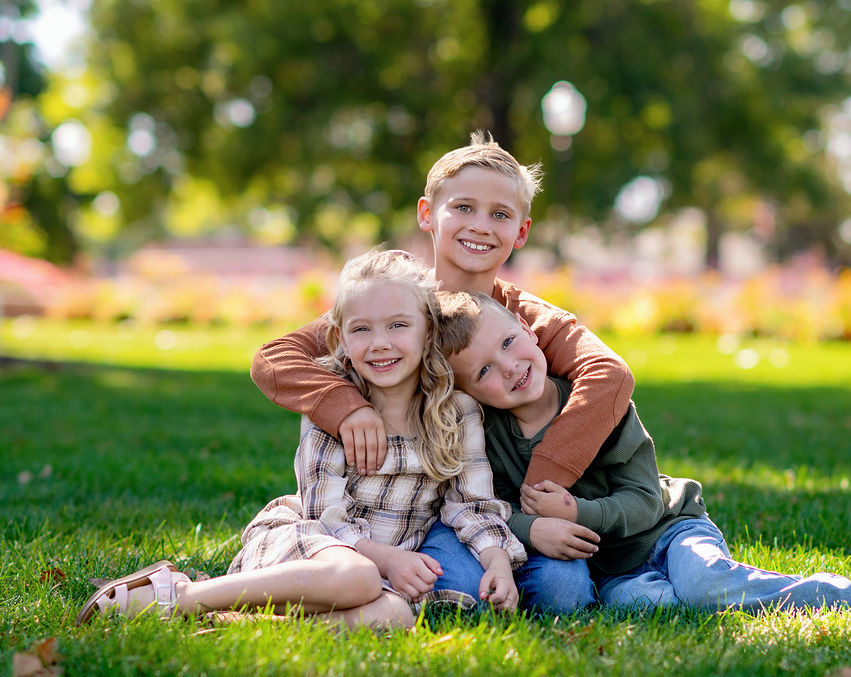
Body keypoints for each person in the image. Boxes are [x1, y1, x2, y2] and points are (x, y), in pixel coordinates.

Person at [249, 132, 627, 612]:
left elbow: (608, 374)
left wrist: (542, 483)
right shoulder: (390, 307)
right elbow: (274, 357)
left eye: (500, 214)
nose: (480, 226)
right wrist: (347, 409)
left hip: (495, 506)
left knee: (561, 595)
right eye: (463, 208)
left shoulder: (525, 318)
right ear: (428, 214)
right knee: (452, 594)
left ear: (522, 232)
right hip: (396, 508)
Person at [76, 250, 526, 630]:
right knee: (360, 580)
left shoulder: (454, 411)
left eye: (398, 326)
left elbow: (472, 506)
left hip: (386, 566)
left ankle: (234, 622)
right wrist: (385, 560)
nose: (380, 344)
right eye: (362, 329)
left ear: (428, 331)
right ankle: (180, 595)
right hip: (315, 543)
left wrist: (498, 561)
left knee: (395, 615)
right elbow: (324, 514)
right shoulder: (333, 403)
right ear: (341, 340)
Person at [433, 289, 851, 619]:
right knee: (643, 606)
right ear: (470, 393)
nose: (506, 368)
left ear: (529, 331)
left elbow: (643, 499)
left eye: (507, 343)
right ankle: (700, 592)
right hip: (614, 571)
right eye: (481, 373)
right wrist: (529, 529)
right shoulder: (487, 433)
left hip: (665, 530)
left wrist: (579, 512)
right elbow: (491, 507)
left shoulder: (593, 404)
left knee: (702, 582)